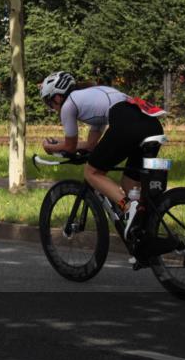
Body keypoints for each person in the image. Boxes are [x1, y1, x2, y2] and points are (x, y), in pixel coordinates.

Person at [39, 71, 172, 244]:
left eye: (50, 103)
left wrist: (50, 147)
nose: (52, 108)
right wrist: (62, 145)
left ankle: (128, 207)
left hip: (127, 124)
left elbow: (70, 146)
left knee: (92, 172)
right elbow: (91, 145)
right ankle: (143, 232)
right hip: (151, 124)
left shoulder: (68, 105)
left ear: (57, 97)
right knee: (129, 184)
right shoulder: (93, 94)